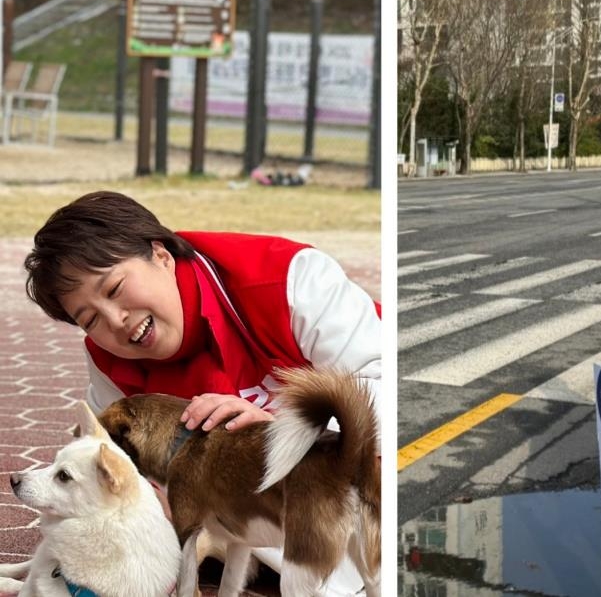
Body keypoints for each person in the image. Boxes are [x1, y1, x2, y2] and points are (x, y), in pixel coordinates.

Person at [23, 190, 381, 596]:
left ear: (161, 255)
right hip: (257, 527)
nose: (117, 321)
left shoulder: (290, 279)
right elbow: (121, 487)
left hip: (347, 501)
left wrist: (284, 431)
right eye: (90, 319)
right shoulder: (108, 361)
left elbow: (386, 393)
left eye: (115, 288)